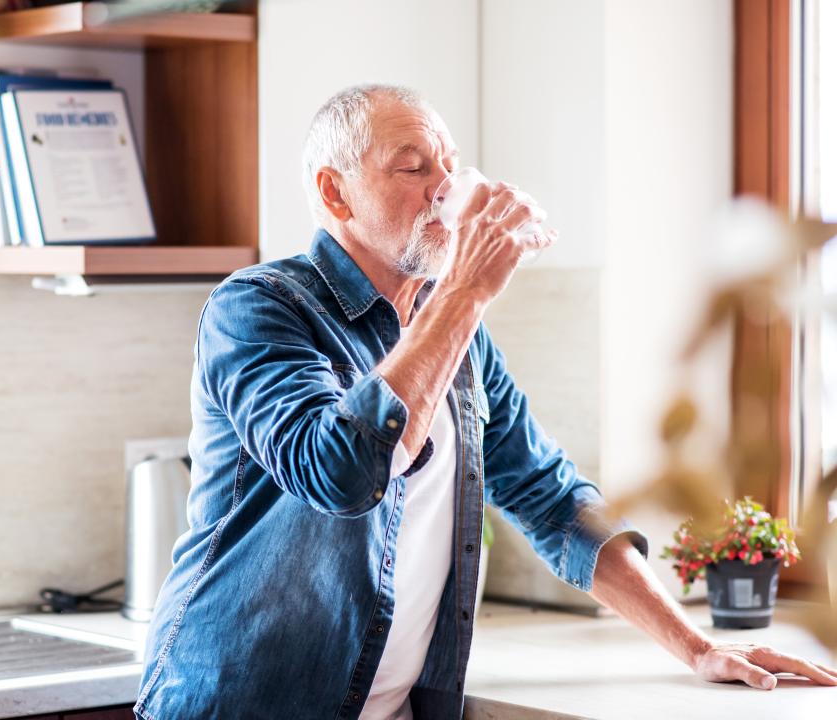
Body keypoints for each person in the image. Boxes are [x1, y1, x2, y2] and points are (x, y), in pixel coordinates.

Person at [133, 84, 837, 720]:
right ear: (336, 193)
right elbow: (340, 473)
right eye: (413, 168)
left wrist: (696, 647)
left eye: (449, 166)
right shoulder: (258, 307)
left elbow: (550, 496)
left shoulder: (454, 326)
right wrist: (467, 292)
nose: (445, 192)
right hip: (236, 703)